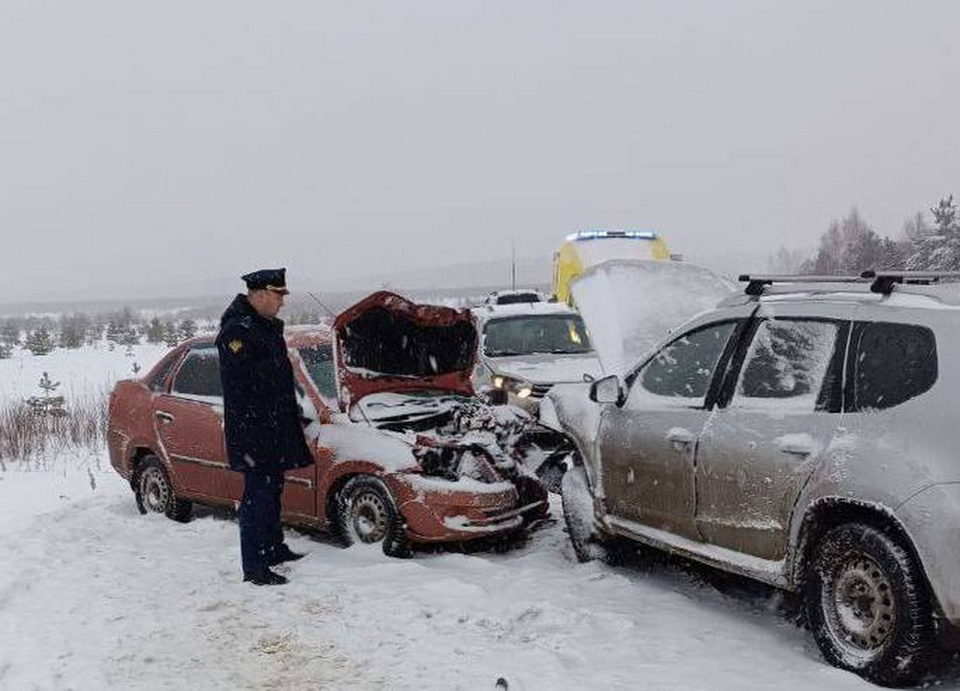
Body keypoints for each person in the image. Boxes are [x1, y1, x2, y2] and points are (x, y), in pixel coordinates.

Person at [216, 268, 313, 586]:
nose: (281, 303)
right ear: (258, 295)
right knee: (257, 496)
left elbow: (279, 377)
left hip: (273, 426)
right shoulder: (237, 332)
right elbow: (248, 382)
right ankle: (254, 566)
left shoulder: (265, 326)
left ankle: (273, 549)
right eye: (277, 296)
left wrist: (292, 407)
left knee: (273, 491)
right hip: (254, 429)